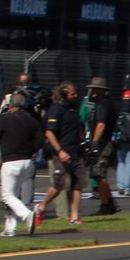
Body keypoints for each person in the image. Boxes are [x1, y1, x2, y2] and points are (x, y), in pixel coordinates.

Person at [35, 81, 89, 227]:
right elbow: (49, 132)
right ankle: (42, 206)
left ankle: (74, 216)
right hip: (62, 152)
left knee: (78, 184)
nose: (76, 96)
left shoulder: (73, 109)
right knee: (60, 184)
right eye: (73, 93)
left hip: (76, 151)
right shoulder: (56, 109)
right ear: (64, 94)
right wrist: (59, 151)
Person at [0, 92, 43, 236]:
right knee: (14, 195)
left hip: (11, 161)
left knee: (7, 195)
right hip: (27, 161)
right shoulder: (32, 120)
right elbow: (40, 140)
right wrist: (29, 149)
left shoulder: (6, 118)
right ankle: (10, 227)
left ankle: (26, 215)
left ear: (11, 105)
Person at [82, 77, 120, 215]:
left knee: (98, 173)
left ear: (99, 91)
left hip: (102, 142)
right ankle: (108, 202)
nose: (92, 92)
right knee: (97, 173)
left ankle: (107, 203)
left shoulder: (102, 105)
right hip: (104, 141)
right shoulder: (108, 103)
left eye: (94, 89)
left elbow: (101, 124)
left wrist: (94, 143)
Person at [114, 89, 130, 197]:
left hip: (120, 139)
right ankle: (128, 188)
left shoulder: (118, 107)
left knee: (121, 162)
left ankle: (120, 186)